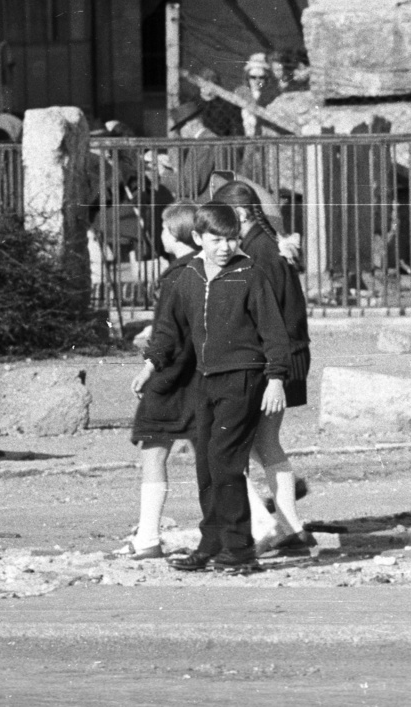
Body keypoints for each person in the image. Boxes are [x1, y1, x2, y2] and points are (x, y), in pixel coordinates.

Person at [142, 201, 293, 575]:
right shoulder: (189, 275)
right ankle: (211, 544)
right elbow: (170, 328)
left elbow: (275, 335)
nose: (225, 247)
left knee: (226, 464)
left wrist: (275, 379)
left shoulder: (251, 276)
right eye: (216, 240)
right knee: (206, 467)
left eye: (231, 239)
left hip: (244, 380)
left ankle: (240, 550)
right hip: (204, 380)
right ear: (197, 238)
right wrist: (151, 363)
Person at [212, 180, 314, 555]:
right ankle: (290, 527)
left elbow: (262, 319)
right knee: (265, 443)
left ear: (239, 215)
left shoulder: (257, 254)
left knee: (240, 445)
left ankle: (270, 527)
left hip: (272, 361)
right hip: (287, 357)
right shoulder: (266, 247)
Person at [123, 203, 200, 560]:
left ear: (176, 234)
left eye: (166, 229)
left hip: (172, 376)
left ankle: (149, 536)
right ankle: (262, 522)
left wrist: (148, 367)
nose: (161, 235)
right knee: (214, 456)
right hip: (200, 374)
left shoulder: (174, 276)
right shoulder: (206, 269)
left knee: (153, 450)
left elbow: (168, 332)